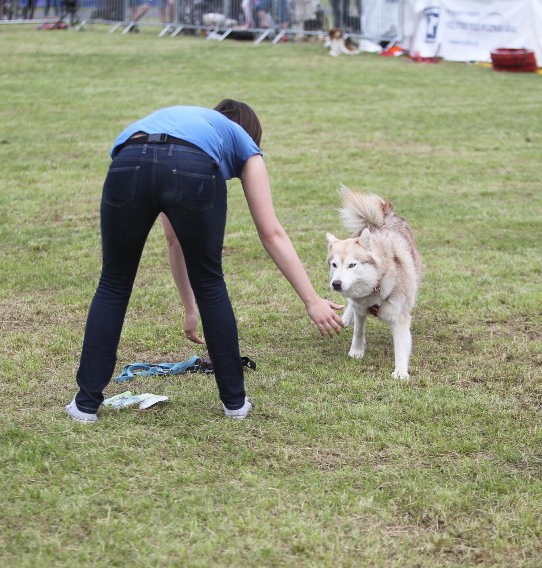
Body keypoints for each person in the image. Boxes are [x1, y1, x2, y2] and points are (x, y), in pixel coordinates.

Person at [65, 100, 345, 424]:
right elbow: (272, 233)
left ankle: (85, 406)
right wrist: (311, 300)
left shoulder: (190, 122)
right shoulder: (243, 141)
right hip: (190, 169)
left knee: (113, 283)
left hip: (129, 160)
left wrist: (189, 308)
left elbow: (174, 239)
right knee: (210, 282)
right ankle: (235, 404)